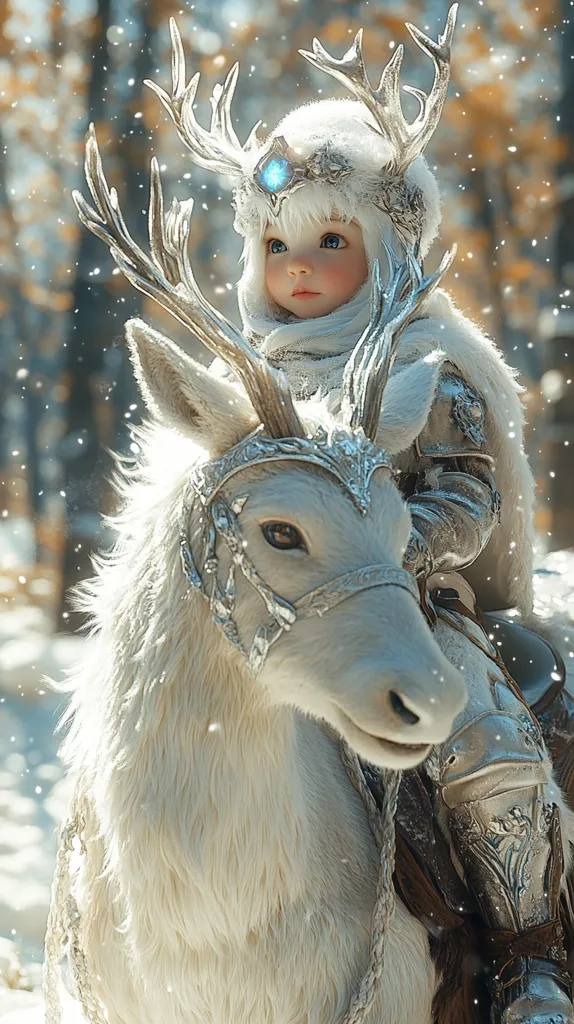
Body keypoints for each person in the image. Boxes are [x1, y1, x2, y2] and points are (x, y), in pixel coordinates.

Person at [148, 7, 574, 1021]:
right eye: (277, 242)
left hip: (419, 606)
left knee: (480, 733)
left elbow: (468, 497)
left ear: (384, 244)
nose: (298, 265)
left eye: (330, 239)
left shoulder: (433, 360)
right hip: (284, 609)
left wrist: (387, 550)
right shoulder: (250, 375)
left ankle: (526, 953)